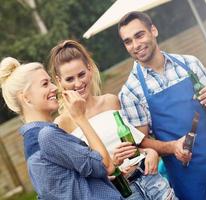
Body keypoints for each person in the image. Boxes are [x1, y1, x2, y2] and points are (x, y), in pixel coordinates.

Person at [118, 11, 206, 200]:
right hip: (188, 177)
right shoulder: (130, 92)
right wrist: (172, 147)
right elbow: (141, 142)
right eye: (128, 41)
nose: (135, 45)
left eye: (139, 35)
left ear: (153, 30)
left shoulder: (190, 63)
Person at [48, 39, 177, 200]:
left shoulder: (111, 101)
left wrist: (150, 152)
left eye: (81, 74)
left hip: (152, 182)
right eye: (70, 79)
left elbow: (135, 145)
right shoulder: (61, 125)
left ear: (89, 69)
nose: (78, 83)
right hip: (121, 193)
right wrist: (111, 165)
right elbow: (79, 180)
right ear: (59, 81)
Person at [0, 57, 123, 200]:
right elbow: (106, 165)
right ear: (26, 98)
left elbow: (65, 186)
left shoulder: (32, 141)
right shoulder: (47, 136)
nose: (54, 88)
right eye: (45, 84)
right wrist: (80, 117)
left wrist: (98, 182)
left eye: (51, 82)